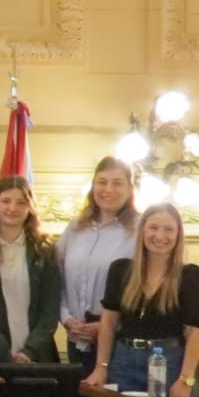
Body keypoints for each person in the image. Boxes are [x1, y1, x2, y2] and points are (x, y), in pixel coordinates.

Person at [93, 203, 199, 397]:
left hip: (169, 363)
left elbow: (194, 332)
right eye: (153, 227)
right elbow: (108, 322)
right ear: (143, 231)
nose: (160, 236)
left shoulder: (191, 277)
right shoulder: (120, 270)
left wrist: (186, 380)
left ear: (178, 235)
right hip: (123, 361)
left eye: (168, 229)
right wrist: (101, 367)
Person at [0, 176, 61, 363]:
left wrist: (30, 351)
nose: (12, 208)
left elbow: (50, 308)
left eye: (21, 202)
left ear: (30, 208)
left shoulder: (45, 250)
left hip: (37, 355)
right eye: (6, 201)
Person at [57, 158, 138, 378]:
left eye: (117, 183)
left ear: (130, 189)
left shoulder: (140, 231)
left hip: (119, 342)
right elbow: (57, 279)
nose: (108, 189)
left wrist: (108, 325)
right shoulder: (75, 228)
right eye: (102, 182)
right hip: (76, 340)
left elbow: (144, 291)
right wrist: (66, 319)